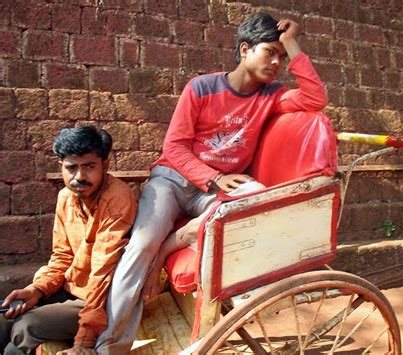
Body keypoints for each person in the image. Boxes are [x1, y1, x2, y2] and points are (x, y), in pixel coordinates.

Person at [96, 12, 328, 354]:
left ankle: (171, 244)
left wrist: (293, 43)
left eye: (282, 55)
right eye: (270, 52)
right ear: (245, 49)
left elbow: (315, 99)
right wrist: (213, 175)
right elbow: (173, 147)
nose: (277, 61)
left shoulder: (271, 96)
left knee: (257, 196)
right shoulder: (201, 87)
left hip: (218, 192)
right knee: (141, 244)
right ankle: (109, 346)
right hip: (173, 181)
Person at [0, 126, 137, 355]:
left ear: (105, 165)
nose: (79, 177)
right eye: (71, 168)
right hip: (69, 288)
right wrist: (37, 290)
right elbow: (62, 256)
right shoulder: (66, 197)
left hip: (102, 301)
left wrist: (84, 340)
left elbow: (103, 272)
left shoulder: (118, 198)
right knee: (5, 318)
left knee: (26, 326)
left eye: (89, 167)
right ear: (61, 167)